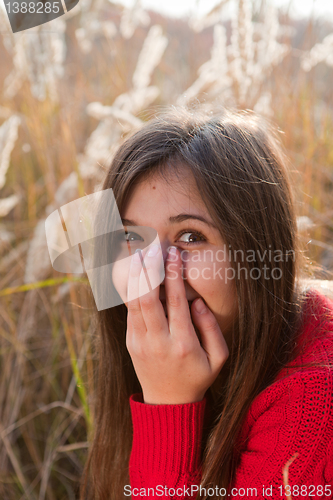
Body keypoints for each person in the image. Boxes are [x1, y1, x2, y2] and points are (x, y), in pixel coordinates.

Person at [79, 108, 333, 500]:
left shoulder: (314, 401)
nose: (154, 273)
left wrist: (168, 404)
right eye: (130, 238)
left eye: (191, 237)